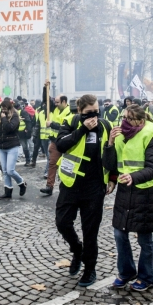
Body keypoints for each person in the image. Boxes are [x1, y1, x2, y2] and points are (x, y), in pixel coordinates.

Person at [103, 104, 153, 291]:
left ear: (141, 121)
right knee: (119, 233)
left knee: (144, 239)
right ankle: (126, 272)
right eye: (124, 117)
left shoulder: (151, 136)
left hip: (146, 191)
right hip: (125, 191)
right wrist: (109, 143)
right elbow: (112, 163)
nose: (125, 121)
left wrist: (133, 177)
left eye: (130, 118)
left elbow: (152, 168)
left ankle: (147, 277)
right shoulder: (118, 135)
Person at [55, 95, 116, 286]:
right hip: (71, 183)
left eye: (96, 111)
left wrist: (113, 178)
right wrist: (83, 129)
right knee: (63, 222)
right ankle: (77, 249)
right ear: (80, 111)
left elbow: (113, 152)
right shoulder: (71, 122)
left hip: (95, 186)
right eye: (89, 113)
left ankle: (90, 269)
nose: (94, 116)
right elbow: (61, 145)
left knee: (90, 231)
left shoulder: (106, 125)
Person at [0, 100, 27, 199]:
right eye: (2, 108)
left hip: (13, 145)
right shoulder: (2, 116)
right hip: (2, 147)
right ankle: (8, 191)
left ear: (9, 107)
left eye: (4, 107)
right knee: (4, 171)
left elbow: (10, 128)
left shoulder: (15, 116)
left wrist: (4, 119)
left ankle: (21, 183)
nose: (3, 110)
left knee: (10, 170)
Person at [42, 87, 72, 196]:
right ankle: (49, 186)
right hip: (55, 142)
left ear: (64, 102)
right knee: (52, 163)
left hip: (67, 142)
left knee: (68, 165)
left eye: (58, 102)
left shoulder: (70, 112)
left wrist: (52, 124)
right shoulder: (54, 109)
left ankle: (67, 187)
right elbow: (46, 99)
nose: (55, 104)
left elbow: (65, 127)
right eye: (55, 102)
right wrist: (46, 87)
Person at [18, 101, 34, 167]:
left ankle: (28, 160)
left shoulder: (23, 112)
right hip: (17, 132)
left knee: (25, 147)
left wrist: (28, 130)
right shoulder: (13, 112)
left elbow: (28, 122)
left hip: (23, 133)